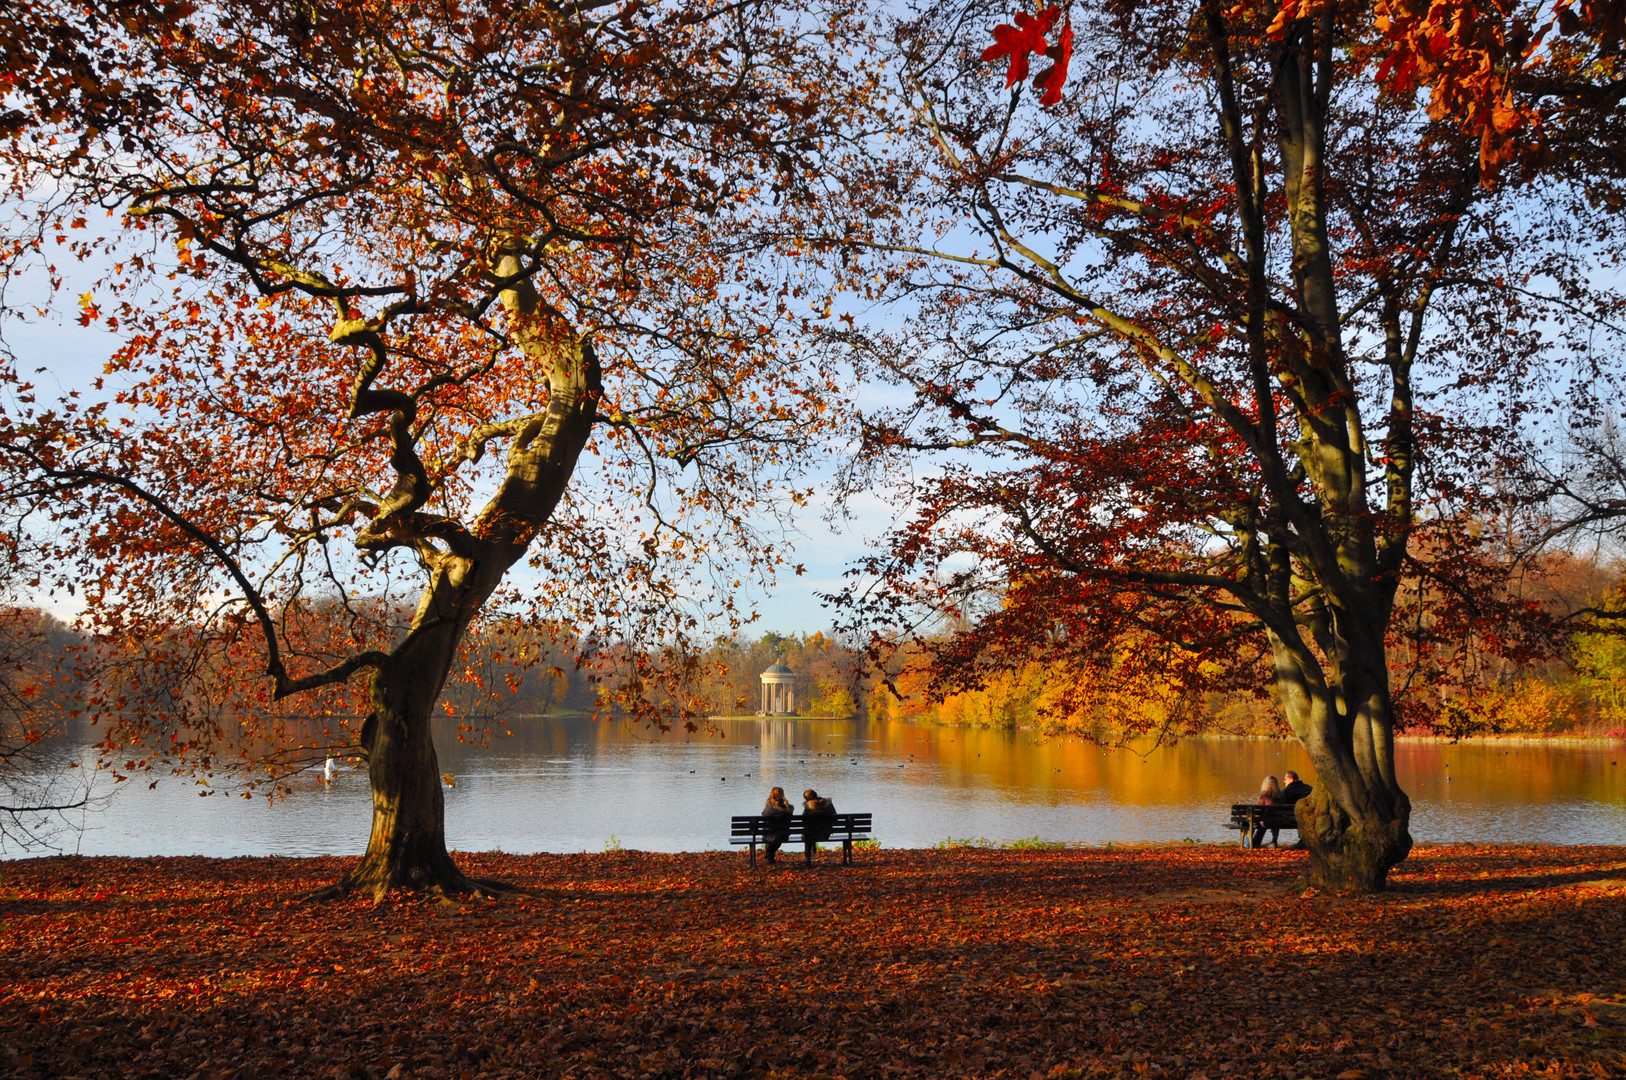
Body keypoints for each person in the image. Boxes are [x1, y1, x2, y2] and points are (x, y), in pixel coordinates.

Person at [802, 788, 836, 865]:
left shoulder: (808, 806)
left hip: (810, 835)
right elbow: (835, 817)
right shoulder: (828, 804)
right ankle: (813, 845)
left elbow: (803, 820)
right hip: (825, 834)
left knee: (808, 832)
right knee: (811, 830)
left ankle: (808, 858)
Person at [760, 787, 793, 864]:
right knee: (777, 836)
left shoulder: (770, 808)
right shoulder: (789, 807)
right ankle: (770, 855)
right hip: (784, 835)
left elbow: (764, 815)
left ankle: (769, 854)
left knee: (769, 835)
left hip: (770, 834)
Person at [1252, 774, 1286, 848]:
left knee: (1252, 822)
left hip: (1266, 822)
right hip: (1279, 821)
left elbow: (1258, 810)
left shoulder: (1264, 795)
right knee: (1274, 820)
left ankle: (1251, 843)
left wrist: (1257, 818)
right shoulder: (1282, 795)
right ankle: (1274, 840)